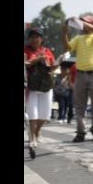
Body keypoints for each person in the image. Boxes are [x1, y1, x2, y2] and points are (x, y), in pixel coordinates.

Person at [63, 14, 93, 143]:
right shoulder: (78, 38)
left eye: (85, 23)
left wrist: (78, 21)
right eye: (82, 23)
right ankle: (81, 132)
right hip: (80, 74)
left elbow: (92, 29)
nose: (82, 25)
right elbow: (68, 48)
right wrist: (64, 33)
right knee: (79, 105)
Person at [24, 27, 56, 159]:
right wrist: (37, 60)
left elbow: (53, 67)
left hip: (46, 87)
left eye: (37, 37)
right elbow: (25, 64)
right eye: (32, 36)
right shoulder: (25, 49)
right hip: (31, 87)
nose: (35, 39)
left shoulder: (47, 51)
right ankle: (32, 140)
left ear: (41, 39)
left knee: (44, 115)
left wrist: (50, 64)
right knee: (33, 114)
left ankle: (36, 133)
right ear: (29, 38)